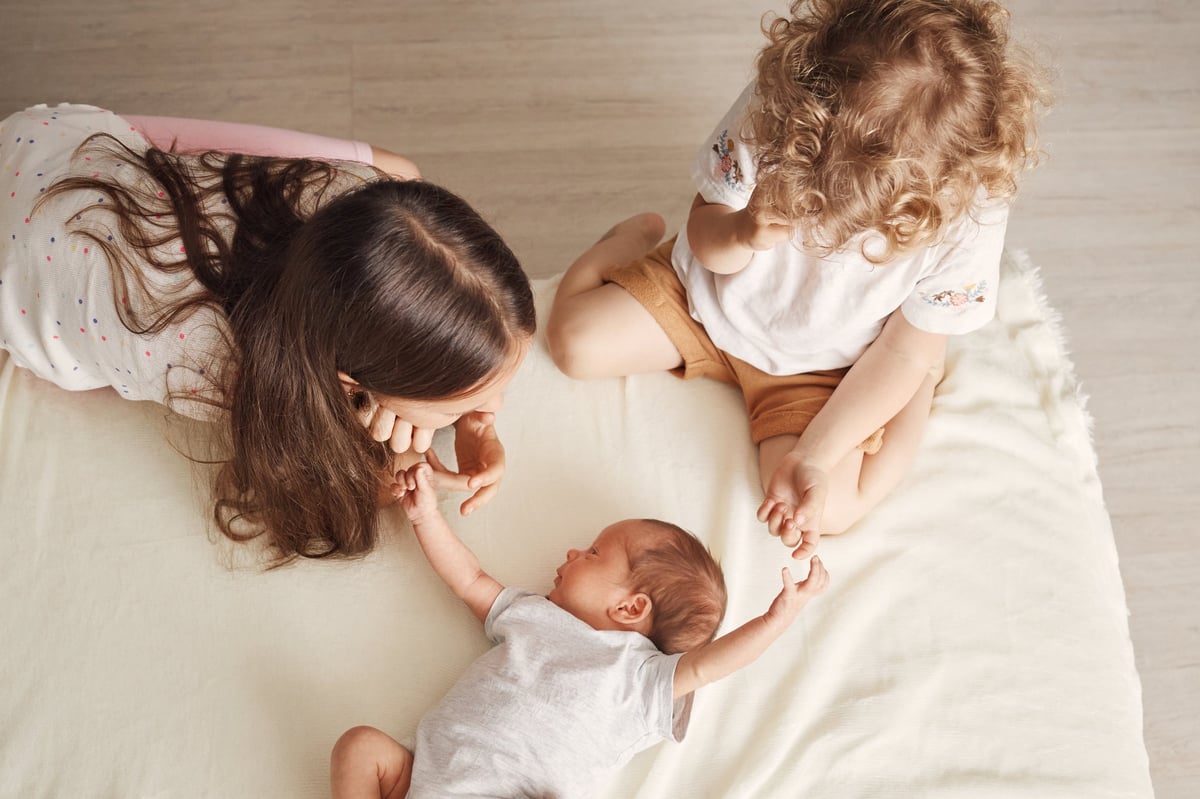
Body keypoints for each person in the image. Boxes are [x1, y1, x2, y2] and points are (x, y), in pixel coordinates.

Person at [546, 0, 1050, 559]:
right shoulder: (776, 112)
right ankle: (628, 236)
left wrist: (815, 453)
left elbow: (900, 355)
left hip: (824, 366)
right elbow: (707, 232)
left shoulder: (971, 206)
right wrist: (740, 232)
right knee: (574, 344)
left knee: (832, 506)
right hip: (703, 299)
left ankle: (921, 389)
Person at [0, 104, 536, 561]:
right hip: (17, 284)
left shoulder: (353, 198)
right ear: (351, 382)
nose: (497, 401)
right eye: (459, 404)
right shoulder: (230, 366)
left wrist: (473, 421)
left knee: (399, 171)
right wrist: (403, 463)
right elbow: (341, 495)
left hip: (42, 141)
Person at [330, 462, 829, 798]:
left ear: (631, 607)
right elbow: (470, 579)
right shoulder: (532, 615)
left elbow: (712, 663)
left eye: (593, 553)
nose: (571, 553)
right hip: (422, 780)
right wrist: (425, 517)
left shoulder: (640, 677)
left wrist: (774, 620)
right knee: (360, 746)